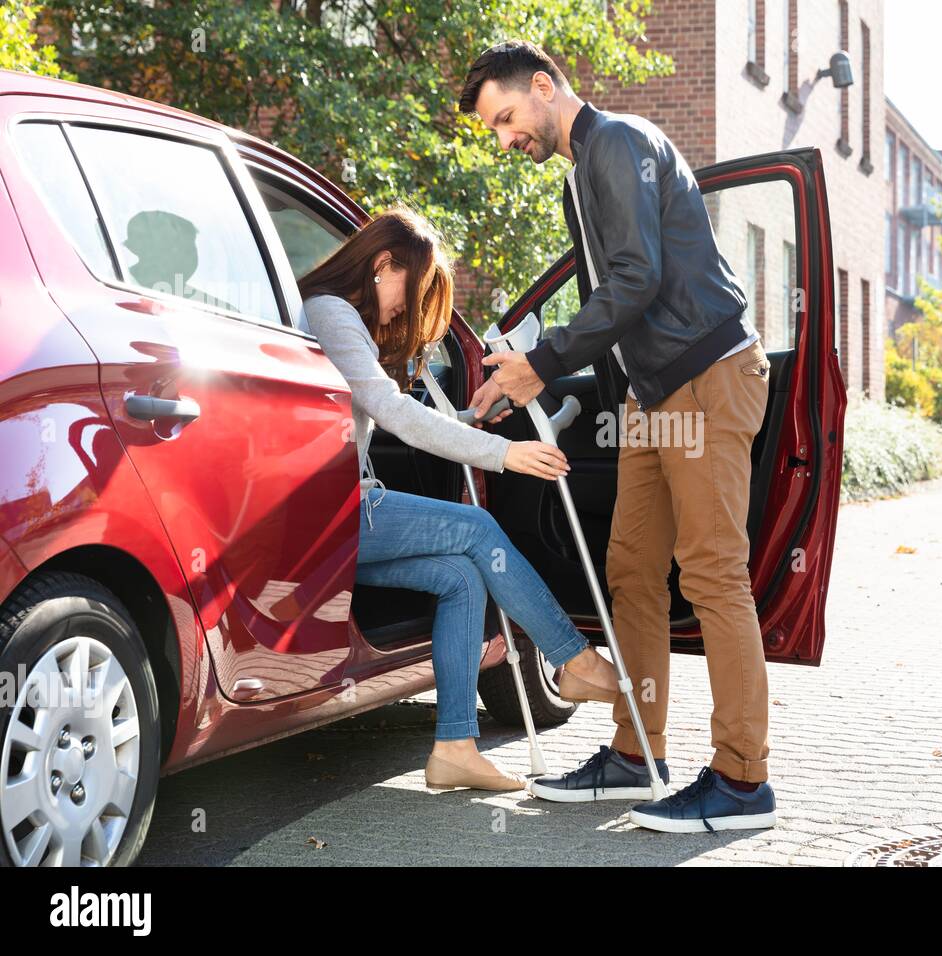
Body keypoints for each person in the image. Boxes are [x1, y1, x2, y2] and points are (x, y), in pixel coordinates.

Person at [459, 41, 777, 832]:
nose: (504, 140)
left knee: (711, 576)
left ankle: (743, 781)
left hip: (708, 377)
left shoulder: (622, 143)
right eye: (492, 131)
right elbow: (616, 296)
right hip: (652, 396)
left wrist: (544, 361)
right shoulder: (580, 174)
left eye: (505, 118)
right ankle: (638, 754)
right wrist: (539, 369)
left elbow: (634, 278)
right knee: (631, 572)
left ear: (543, 86)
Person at [297, 207, 621, 792]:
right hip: (337, 511)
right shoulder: (330, 312)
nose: (406, 311)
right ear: (383, 263)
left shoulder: (336, 316)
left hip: (344, 509)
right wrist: (501, 453)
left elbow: (391, 418)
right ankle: (573, 659)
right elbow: (392, 410)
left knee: (459, 577)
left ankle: (454, 747)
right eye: (412, 292)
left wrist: (473, 420)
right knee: (475, 528)